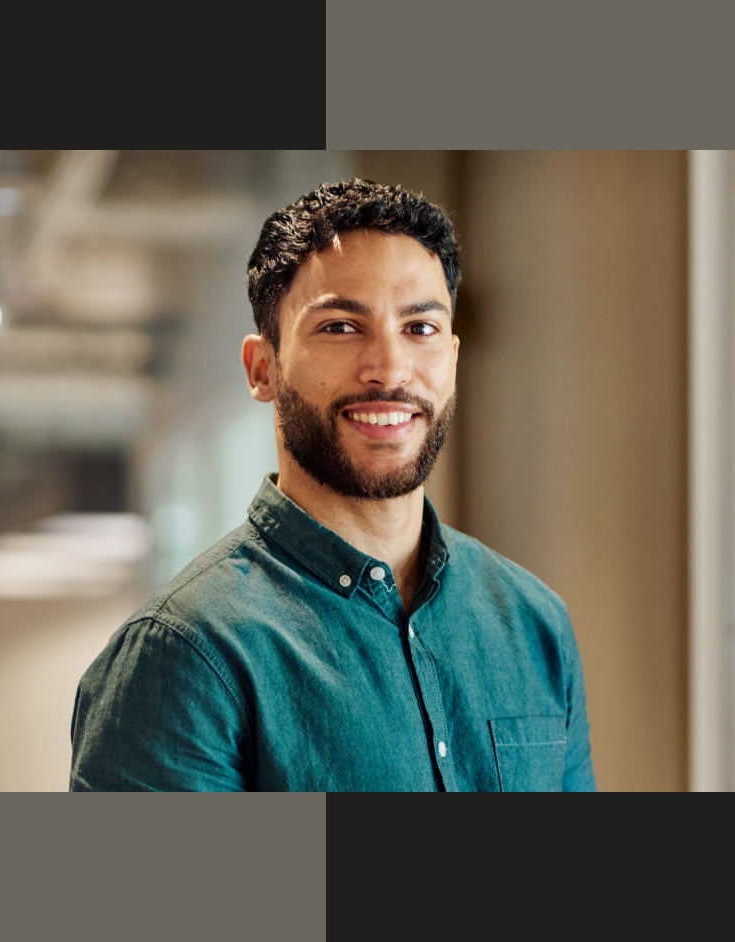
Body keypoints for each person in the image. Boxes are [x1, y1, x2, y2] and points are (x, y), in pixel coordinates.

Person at [68, 179, 595, 791]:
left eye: (419, 328)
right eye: (341, 327)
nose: (390, 369)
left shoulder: (534, 624)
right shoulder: (184, 655)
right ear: (263, 368)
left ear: (451, 357)